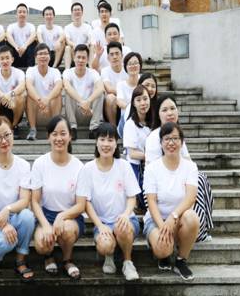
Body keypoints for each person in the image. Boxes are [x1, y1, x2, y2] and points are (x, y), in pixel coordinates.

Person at [76, 122, 140, 280]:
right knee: (105, 245)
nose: (106, 144)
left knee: (122, 227)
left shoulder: (124, 166)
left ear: (116, 144)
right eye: (102, 139)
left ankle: (127, 262)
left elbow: (132, 197)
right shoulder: (87, 169)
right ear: (96, 142)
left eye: (110, 140)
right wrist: (99, 225)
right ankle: (109, 256)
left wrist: (125, 214)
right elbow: (86, 203)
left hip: (125, 220)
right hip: (103, 222)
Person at [145, 95, 214, 242]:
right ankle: (199, 230)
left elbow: (188, 161)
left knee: (200, 178)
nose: (169, 113)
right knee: (197, 180)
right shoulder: (154, 137)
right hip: (158, 185)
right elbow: (154, 169)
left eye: (172, 108)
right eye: (164, 110)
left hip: (177, 177)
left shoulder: (177, 134)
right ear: (158, 114)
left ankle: (202, 227)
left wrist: (187, 174)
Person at [0, 117, 36, 282]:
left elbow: (25, 200)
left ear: (12, 134)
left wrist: (7, 210)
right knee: (8, 241)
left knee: (28, 217)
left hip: (14, 216)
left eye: (7, 135)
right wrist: (3, 225)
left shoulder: (23, 165)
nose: (4, 141)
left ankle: (20, 260)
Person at [31, 115, 86, 280]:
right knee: (42, 244)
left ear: (70, 136)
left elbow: (81, 205)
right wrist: (45, 224)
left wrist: (62, 216)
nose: (59, 138)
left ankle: (67, 259)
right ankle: (48, 257)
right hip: (46, 214)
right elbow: (34, 201)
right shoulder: (40, 163)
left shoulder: (79, 166)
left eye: (63, 133)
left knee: (66, 230)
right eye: (54, 134)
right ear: (48, 137)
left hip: (71, 216)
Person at [143, 122, 200, 281]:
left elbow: (191, 197)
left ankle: (181, 260)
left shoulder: (190, 167)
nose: (171, 143)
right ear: (161, 143)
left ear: (182, 142)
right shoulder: (152, 168)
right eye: (167, 139)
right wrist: (162, 226)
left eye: (175, 138)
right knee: (163, 249)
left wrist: (173, 216)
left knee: (192, 217)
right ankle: (164, 254)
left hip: (179, 218)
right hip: (157, 220)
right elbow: (151, 201)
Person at [63, 44, 104, 141]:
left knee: (100, 93)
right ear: (74, 58)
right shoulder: (68, 72)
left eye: (83, 57)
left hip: (90, 112)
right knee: (68, 91)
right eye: (78, 57)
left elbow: (101, 87)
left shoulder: (93, 73)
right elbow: (67, 87)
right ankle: (72, 127)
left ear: (87, 59)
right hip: (75, 112)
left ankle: (94, 128)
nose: (81, 60)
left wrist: (88, 101)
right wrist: (82, 102)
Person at [0, 45, 26, 139]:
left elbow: (22, 86)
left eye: (7, 58)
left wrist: (10, 94)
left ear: (12, 59)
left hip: (14, 107)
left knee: (21, 96)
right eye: (2, 58)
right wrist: (3, 96)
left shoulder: (19, 72)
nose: (5, 61)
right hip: (0, 107)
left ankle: (14, 126)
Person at [123, 85, 153, 208]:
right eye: (138, 100)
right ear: (133, 103)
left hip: (151, 164)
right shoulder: (130, 124)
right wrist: (152, 156)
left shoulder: (154, 121)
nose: (143, 103)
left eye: (145, 99)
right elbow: (132, 154)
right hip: (136, 166)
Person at [25, 43, 63, 141]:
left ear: (50, 57)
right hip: (36, 112)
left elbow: (59, 85)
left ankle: (54, 129)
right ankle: (32, 129)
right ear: (35, 57)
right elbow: (28, 85)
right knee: (29, 95)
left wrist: (47, 100)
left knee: (57, 95)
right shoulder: (31, 70)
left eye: (46, 53)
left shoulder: (55, 71)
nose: (43, 56)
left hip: (51, 111)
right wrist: (39, 101)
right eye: (40, 54)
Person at [101, 41, 127, 126]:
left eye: (117, 53)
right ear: (108, 58)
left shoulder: (127, 69)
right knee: (110, 97)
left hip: (126, 102)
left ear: (122, 55)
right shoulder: (105, 71)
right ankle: (113, 128)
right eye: (111, 54)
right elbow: (109, 89)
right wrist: (123, 93)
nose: (115, 57)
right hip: (110, 107)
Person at [116, 52, 143, 135]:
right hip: (126, 119)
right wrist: (134, 109)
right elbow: (119, 102)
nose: (133, 66)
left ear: (140, 66)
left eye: (135, 63)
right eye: (130, 64)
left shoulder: (144, 81)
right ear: (125, 67)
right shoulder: (121, 84)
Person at [6, 3, 37, 68]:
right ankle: (10, 68)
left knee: (33, 43)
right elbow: (8, 36)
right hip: (15, 53)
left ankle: (30, 69)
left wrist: (24, 46)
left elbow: (33, 35)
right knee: (7, 43)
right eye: (20, 12)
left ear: (27, 14)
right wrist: (16, 47)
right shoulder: (11, 26)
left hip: (27, 53)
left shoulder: (31, 26)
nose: (22, 14)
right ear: (16, 14)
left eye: (24, 12)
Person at [64, 2, 93, 69]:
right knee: (67, 48)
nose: (77, 12)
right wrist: (75, 46)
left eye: (78, 10)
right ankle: (67, 70)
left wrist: (86, 44)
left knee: (92, 46)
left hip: (85, 51)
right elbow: (68, 40)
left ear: (82, 12)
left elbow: (90, 38)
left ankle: (91, 68)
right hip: (73, 51)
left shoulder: (88, 27)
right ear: (72, 13)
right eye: (75, 10)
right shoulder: (67, 27)